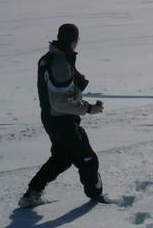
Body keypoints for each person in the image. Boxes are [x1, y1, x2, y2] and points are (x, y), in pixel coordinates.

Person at [19, 23, 107, 206]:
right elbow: (60, 103)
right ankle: (96, 198)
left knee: (62, 158)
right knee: (87, 159)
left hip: (52, 118)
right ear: (75, 40)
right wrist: (88, 108)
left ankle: (32, 194)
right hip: (62, 120)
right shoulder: (60, 62)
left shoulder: (52, 58)